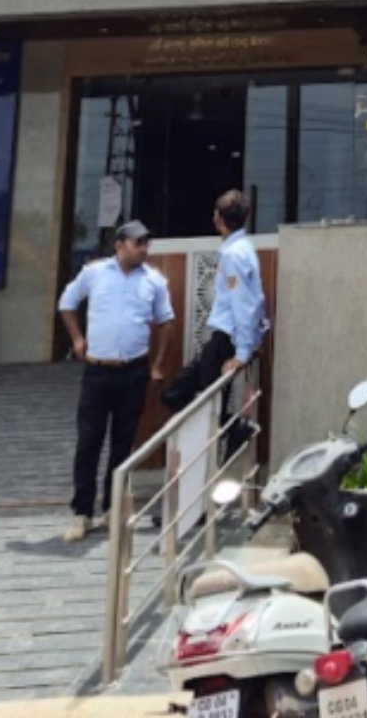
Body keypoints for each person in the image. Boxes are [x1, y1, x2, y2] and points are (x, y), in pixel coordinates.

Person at [57, 219, 175, 544]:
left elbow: (166, 321)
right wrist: (77, 339)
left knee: (123, 443)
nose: (144, 249)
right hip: (97, 370)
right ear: (119, 245)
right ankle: (82, 512)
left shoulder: (153, 280)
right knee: (89, 441)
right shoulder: (94, 273)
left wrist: (158, 365)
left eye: (146, 243)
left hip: (133, 370)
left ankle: (113, 510)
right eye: (138, 243)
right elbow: (67, 303)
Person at [161, 188, 268, 415]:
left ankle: (236, 430)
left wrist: (242, 353)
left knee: (210, 406)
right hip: (224, 339)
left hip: (226, 340)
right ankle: (231, 429)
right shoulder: (244, 249)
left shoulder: (233, 254)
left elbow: (243, 303)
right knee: (176, 395)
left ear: (218, 218)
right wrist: (256, 339)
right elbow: (257, 299)